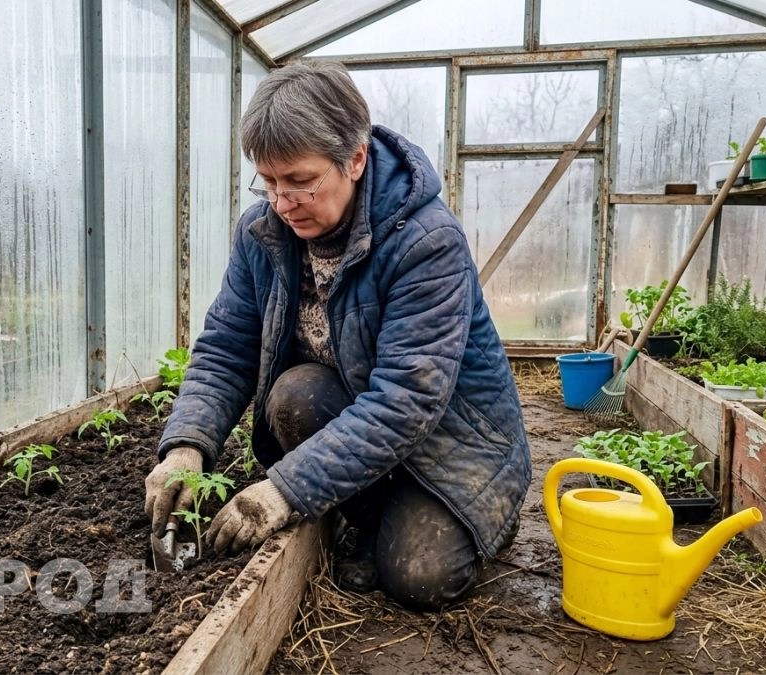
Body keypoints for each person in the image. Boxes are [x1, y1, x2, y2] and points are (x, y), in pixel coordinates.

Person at [144, 61, 530, 610]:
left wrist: (283, 491)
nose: (282, 203)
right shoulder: (262, 233)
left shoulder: (426, 242)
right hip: (359, 422)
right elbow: (227, 346)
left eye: (300, 181)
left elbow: (407, 399)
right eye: (269, 182)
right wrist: (187, 444)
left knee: (420, 577)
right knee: (295, 396)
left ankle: (478, 518)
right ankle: (373, 518)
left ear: (355, 159)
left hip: (452, 445)